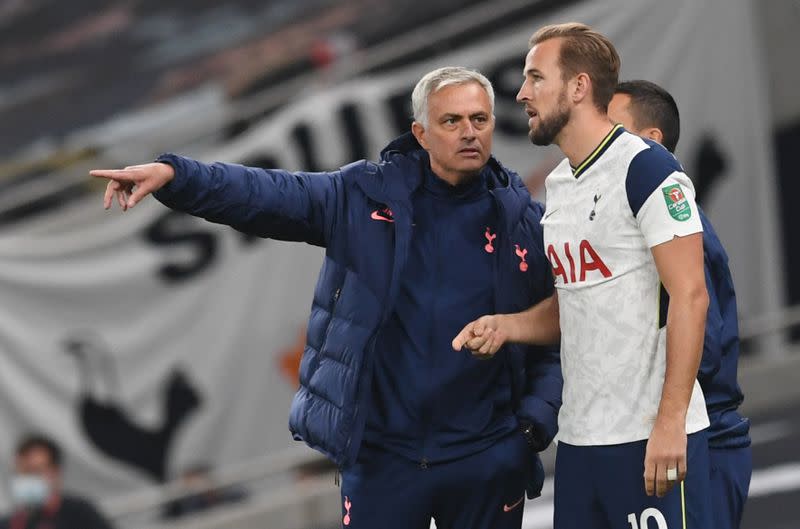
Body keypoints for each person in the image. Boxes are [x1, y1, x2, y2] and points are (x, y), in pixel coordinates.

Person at [90, 66, 562, 529]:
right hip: (383, 460)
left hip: (486, 458)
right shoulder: (361, 196)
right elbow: (266, 194)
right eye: (451, 121)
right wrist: (178, 176)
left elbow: (555, 333)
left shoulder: (523, 221)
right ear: (420, 132)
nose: (468, 133)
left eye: (479, 119)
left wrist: (529, 431)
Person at [453, 24, 712, 528]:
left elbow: (692, 296)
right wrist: (508, 327)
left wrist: (670, 420)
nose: (522, 93)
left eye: (535, 78)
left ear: (578, 87)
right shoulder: (558, 183)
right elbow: (576, 299)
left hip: (648, 440)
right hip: (578, 445)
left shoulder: (648, 168)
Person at [609, 79, 752, 529]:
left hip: (698, 440)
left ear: (651, 142)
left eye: (612, 131)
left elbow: (703, 346)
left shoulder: (678, 227)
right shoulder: (631, 224)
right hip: (673, 435)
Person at [0, 434, 114, 529]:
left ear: (55, 473)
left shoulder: (81, 514)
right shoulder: (8, 524)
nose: (26, 479)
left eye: (34, 471)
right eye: (21, 472)